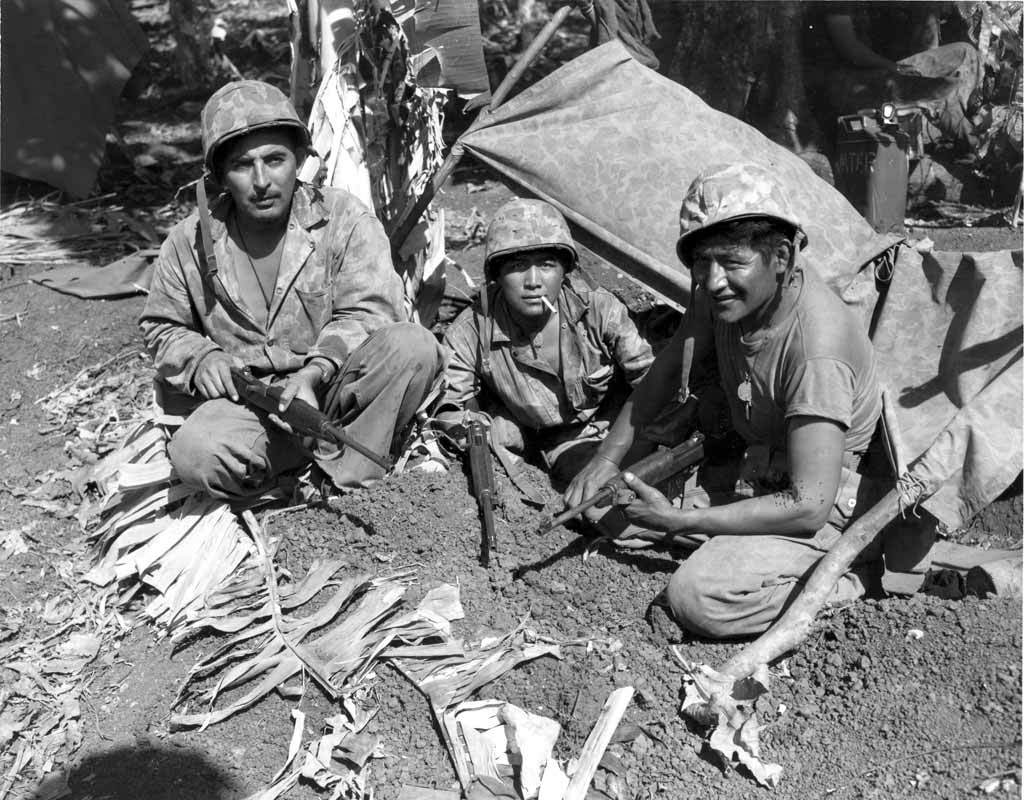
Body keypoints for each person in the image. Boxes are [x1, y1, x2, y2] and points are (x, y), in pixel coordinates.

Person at [564, 163, 886, 639]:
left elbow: (808, 506)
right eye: (701, 263)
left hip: (822, 506)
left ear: (780, 256)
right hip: (756, 472)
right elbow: (670, 365)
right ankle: (723, 539)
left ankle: (854, 574)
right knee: (602, 505)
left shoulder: (818, 349)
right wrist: (607, 458)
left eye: (732, 263)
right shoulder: (722, 294)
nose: (712, 281)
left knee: (697, 598)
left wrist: (679, 520)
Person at [140, 80, 442, 500]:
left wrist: (313, 374)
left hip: (337, 397)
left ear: (299, 159)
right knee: (196, 453)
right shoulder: (188, 241)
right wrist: (200, 357)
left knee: (414, 346)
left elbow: (372, 312)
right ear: (220, 175)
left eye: (275, 159)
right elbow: (161, 326)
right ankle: (294, 468)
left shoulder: (343, 219)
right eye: (243, 165)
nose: (262, 180)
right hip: (252, 407)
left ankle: (351, 481)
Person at [436, 198, 655, 483]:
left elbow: (650, 379)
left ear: (565, 271)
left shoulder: (598, 310)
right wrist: (486, 430)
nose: (533, 281)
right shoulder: (472, 330)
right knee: (601, 501)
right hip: (560, 444)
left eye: (547, 264)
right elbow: (449, 407)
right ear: (497, 276)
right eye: (517, 266)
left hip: (625, 423)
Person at [803, 1, 981, 150]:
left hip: (878, 74)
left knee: (965, 53)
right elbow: (849, 49)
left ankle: (965, 128)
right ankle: (974, 143)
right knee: (934, 90)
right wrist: (891, 67)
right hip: (847, 84)